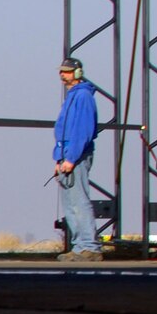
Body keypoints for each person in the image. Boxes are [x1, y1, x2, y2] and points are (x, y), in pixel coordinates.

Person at [54, 57, 103, 261]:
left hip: (76, 156)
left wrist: (72, 158)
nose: (62, 75)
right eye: (61, 72)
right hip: (66, 156)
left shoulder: (83, 96)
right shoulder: (73, 96)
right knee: (70, 204)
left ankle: (89, 246)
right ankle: (79, 246)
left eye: (67, 72)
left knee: (79, 201)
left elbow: (82, 131)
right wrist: (59, 158)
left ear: (77, 73)